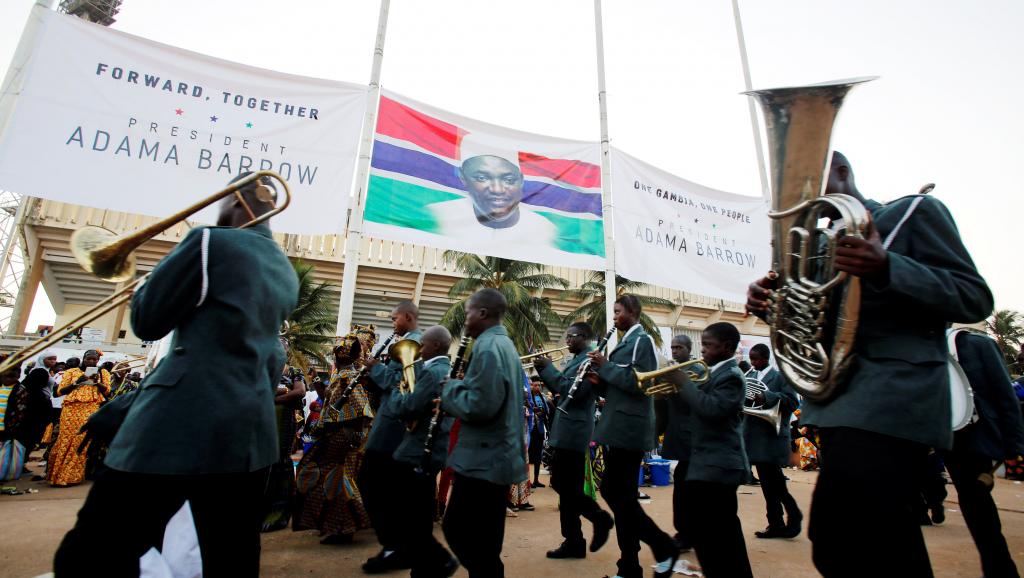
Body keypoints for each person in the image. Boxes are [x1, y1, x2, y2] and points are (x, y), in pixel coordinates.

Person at [746, 151, 993, 577]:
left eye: (807, 181)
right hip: (842, 405)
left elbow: (974, 296)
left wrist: (888, 266)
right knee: (861, 542)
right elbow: (816, 331)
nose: (797, 197)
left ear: (842, 173)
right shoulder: (816, 248)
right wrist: (776, 309)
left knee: (849, 537)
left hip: (896, 397)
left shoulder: (914, 212)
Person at [54, 172, 298, 577]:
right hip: (245, 437)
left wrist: (144, 288)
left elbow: (149, 321)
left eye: (222, 199)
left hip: (175, 427)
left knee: (90, 553)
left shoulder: (208, 242)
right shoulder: (285, 272)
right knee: (230, 555)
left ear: (238, 201)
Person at [587, 295, 679, 578]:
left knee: (615, 494)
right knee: (622, 497)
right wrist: (598, 383)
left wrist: (605, 366)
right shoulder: (626, 342)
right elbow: (619, 388)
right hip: (620, 427)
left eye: (618, 312)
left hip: (630, 430)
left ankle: (662, 546)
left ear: (633, 312)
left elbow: (640, 384)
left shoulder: (642, 341)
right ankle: (630, 566)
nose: (613, 317)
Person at [441, 288, 526, 578]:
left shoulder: (488, 348)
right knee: (487, 542)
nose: (464, 321)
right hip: (497, 457)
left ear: (482, 313)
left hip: (483, 460)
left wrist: (450, 389)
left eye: (467, 313)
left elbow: (481, 406)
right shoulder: (504, 344)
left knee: (457, 529)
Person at [666, 323, 754, 578]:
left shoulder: (732, 376)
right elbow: (691, 407)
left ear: (727, 347)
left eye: (708, 345)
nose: (702, 350)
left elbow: (711, 409)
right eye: (702, 344)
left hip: (720, 465)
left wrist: (683, 383)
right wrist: (672, 389)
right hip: (706, 463)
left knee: (719, 535)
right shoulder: (712, 372)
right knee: (713, 534)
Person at [942, 330, 1024, 577]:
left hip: (974, 439)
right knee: (974, 503)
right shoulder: (917, 346)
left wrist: (1014, 449)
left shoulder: (976, 344)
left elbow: (1006, 398)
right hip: (943, 438)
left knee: (976, 503)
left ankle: (999, 567)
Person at [532, 321, 614, 559]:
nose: (566, 341)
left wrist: (547, 368)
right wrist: (545, 370)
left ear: (584, 337)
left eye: (570, 337)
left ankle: (599, 518)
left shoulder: (590, 361)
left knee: (563, 484)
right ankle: (574, 540)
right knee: (566, 488)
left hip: (574, 433)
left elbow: (573, 392)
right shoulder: (576, 360)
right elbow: (562, 389)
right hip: (567, 429)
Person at [293, 327, 377, 545]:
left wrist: (356, 435)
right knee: (333, 478)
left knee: (335, 478)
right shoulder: (344, 375)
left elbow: (360, 410)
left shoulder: (348, 376)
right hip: (340, 434)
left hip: (341, 436)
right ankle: (337, 525)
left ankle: (344, 526)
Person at [389, 325, 459, 578]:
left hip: (420, 450)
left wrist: (395, 397)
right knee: (418, 513)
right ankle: (428, 564)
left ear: (437, 346)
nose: (419, 350)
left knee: (412, 515)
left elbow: (410, 406)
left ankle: (438, 561)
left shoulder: (434, 372)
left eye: (424, 345)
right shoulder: (439, 369)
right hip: (428, 448)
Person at [359, 300, 423, 573]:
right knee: (389, 486)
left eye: (395, 318)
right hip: (391, 421)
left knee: (371, 481)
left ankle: (395, 545)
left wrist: (375, 368)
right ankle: (397, 544)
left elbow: (403, 384)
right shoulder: (406, 341)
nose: (392, 323)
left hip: (393, 427)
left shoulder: (412, 344)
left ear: (408, 317)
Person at [428, 152, 557, 247]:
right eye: (482, 178)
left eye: (508, 180)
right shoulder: (438, 216)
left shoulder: (544, 230)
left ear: (521, 180)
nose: (497, 189)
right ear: (463, 177)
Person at [743, 343, 802, 539]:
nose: (753, 363)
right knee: (771, 485)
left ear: (765, 358)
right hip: (754, 437)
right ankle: (776, 523)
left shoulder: (779, 377)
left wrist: (766, 396)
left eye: (756, 359)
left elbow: (793, 402)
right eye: (751, 359)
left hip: (771, 437)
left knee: (774, 484)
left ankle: (791, 518)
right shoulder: (750, 377)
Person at [47, 349, 110, 487]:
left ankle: (71, 476)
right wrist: (77, 382)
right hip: (71, 409)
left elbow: (107, 391)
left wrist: (97, 382)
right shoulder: (71, 372)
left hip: (90, 408)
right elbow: (59, 391)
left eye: (95, 360)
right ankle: (57, 475)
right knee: (65, 439)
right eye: (89, 359)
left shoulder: (102, 373)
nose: (92, 362)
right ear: (84, 358)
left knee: (80, 441)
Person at [660, 335, 698, 551]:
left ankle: (687, 534)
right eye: (673, 348)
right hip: (678, 436)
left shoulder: (696, 370)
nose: (674, 351)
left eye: (679, 347)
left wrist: (677, 382)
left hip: (691, 439)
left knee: (687, 491)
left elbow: (693, 401)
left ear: (689, 349)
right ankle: (684, 532)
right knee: (681, 491)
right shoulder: (672, 370)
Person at [261, 363, 306, 532]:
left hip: (283, 422)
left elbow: (300, 391)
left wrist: (272, 398)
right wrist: (285, 392)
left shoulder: (293, 371)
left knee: (279, 464)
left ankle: (277, 514)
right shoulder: (261, 366)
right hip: (260, 420)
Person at [527, 377, 550, 488]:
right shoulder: (527, 397)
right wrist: (533, 410)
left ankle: (536, 479)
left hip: (540, 429)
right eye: (534, 385)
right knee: (529, 456)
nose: (537, 387)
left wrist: (543, 412)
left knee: (537, 456)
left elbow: (547, 411)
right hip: (530, 430)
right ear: (530, 385)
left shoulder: (543, 398)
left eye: (538, 385)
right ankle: (528, 481)